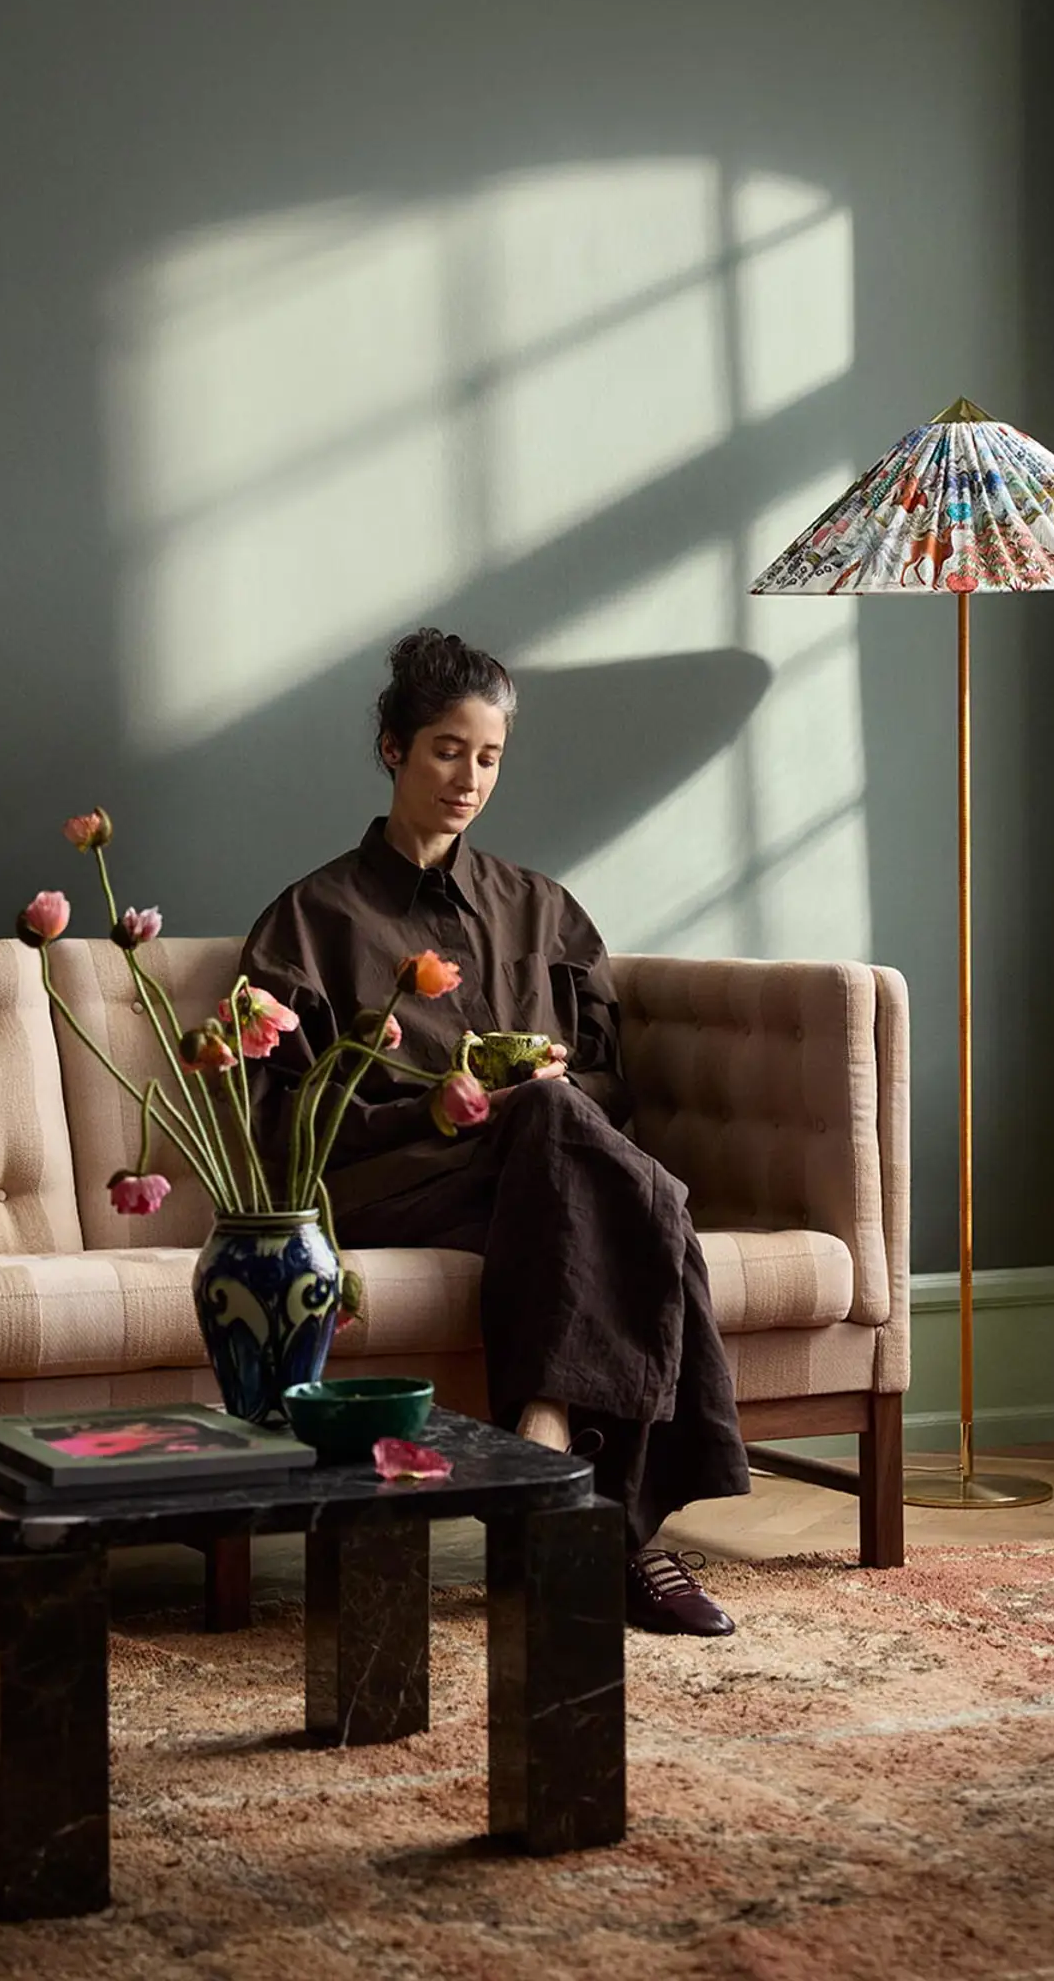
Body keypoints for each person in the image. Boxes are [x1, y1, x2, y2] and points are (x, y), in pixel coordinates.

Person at [241, 628, 751, 1635]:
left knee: (566, 1127)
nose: (468, 778)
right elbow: (280, 1125)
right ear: (392, 747)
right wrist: (431, 1107)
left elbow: (610, 1084)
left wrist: (555, 1089)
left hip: (530, 1180)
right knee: (643, 1197)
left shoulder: (542, 908)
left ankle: (556, 1446)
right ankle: (611, 1514)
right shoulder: (310, 920)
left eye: (489, 758)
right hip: (392, 1184)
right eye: (445, 750)